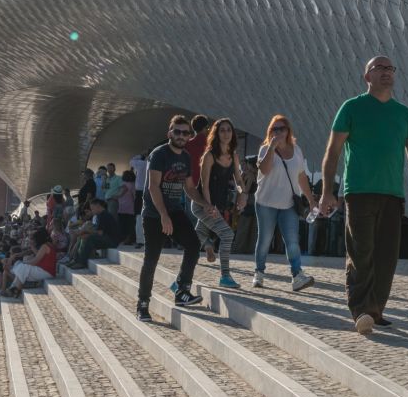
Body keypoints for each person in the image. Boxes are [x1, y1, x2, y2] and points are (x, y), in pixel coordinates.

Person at [319, 56, 408, 334]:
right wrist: (326, 192)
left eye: (390, 68)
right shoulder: (352, 107)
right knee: (361, 252)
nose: (386, 72)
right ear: (367, 76)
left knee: (387, 256)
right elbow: (332, 151)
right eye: (379, 68)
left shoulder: (402, 113)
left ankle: (375, 309)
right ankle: (360, 311)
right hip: (359, 192)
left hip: (392, 194)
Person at [136, 115, 218, 321]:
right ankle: (143, 303)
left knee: (192, 245)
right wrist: (163, 216)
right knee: (151, 260)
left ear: (190, 135)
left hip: (174, 210)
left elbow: (189, 188)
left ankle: (182, 291)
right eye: (177, 132)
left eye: (185, 133)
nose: (181, 136)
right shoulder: (159, 154)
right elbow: (153, 186)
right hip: (155, 214)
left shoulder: (186, 157)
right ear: (170, 133)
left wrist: (206, 204)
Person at [253, 115, 318, 292]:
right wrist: (272, 147)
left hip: (289, 204)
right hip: (266, 202)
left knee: (292, 241)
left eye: (282, 128)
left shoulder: (296, 150)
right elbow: (264, 170)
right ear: (270, 132)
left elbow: (301, 176)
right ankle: (259, 273)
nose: (279, 132)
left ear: (288, 130)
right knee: (265, 239)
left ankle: (297, 275)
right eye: (275, 129)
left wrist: (311, 200)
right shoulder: (265, 149)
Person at [192, 118, 246, 288]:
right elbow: (204, 185)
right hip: (203, 205)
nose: (226, 133)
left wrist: (243, 193)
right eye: (222, 130)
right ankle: (225, 276)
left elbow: (238, 179)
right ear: (216, 133)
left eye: (229, 130)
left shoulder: (234, 156)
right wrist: (209, 207)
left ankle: (180, 280)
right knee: (227, 235)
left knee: (196, 240)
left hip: (217, 205)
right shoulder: (209, 155)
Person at [66, 200, 121, 270]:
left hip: (112, 241)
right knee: (82, 237)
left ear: (98, 206)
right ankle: (75, 260)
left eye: (92, 209)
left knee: (88, 238)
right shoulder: (100, 215)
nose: (92, 211)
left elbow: (100, 233)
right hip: (106, 238)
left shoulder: (104, 215)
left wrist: (86, 231)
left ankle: (81, 262)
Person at [4, 229, 56, 296]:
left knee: (22, 267)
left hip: (47, 272)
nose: (35, 240)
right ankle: (15, 289)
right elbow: (35, 255)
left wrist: (23, 263)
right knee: (22, 267)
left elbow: (35, 261)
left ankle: (15, 287)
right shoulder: (48, 245)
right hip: (46, 271)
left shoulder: (45, 246)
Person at [115, 171, 137, 246]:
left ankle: (123, 238)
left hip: (122, 207)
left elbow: (119, 194)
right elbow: (134, 196)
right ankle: (130, 238)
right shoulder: (133, 185)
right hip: (130, 207)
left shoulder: (123, 185)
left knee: (122, 223)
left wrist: (115, 197)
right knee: (130, 224)